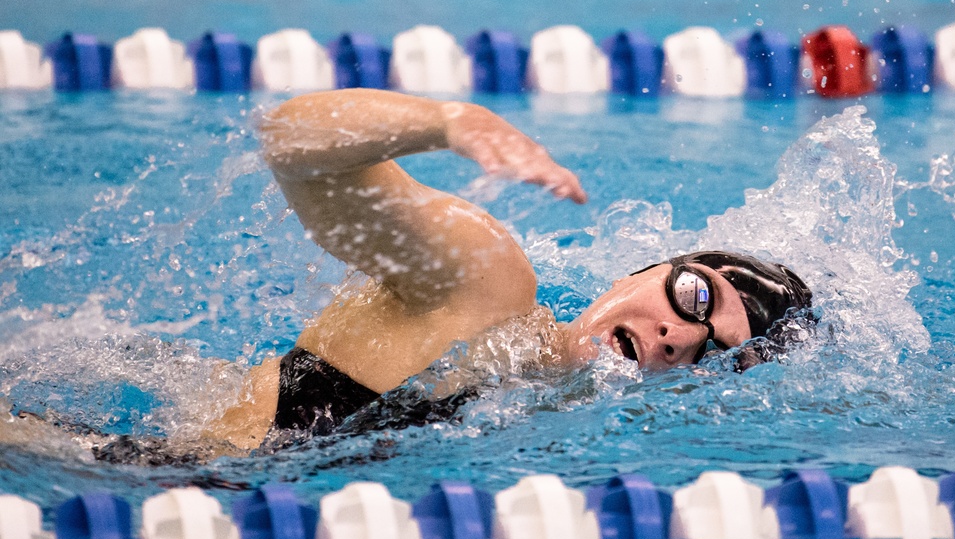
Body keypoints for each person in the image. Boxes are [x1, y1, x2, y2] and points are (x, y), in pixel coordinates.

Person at [205, 89, 812, 452]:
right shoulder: (486, 287)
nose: (680, 337)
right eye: (694, 297)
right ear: (641, 271)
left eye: (713, 352)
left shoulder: (557, 440)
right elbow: (286, 141)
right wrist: (448, 123)